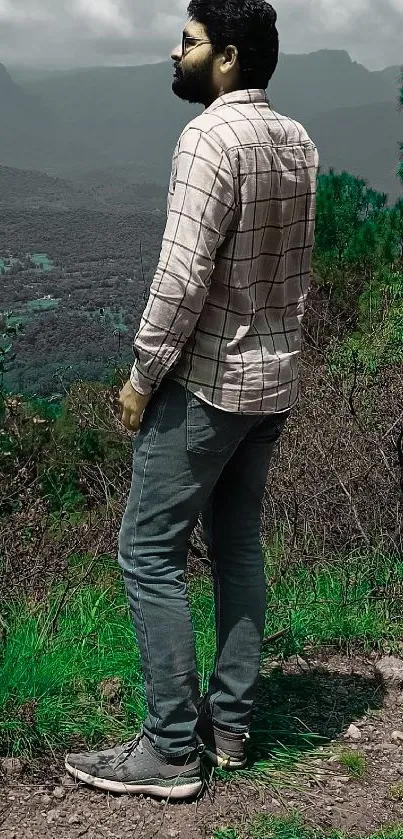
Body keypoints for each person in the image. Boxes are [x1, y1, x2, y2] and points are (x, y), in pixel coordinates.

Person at [65, 0, 319, 800]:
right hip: (272, 382)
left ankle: (170, 749)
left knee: (148, 554)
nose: (174, 55)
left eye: (188, 43)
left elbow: (180, 278)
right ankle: (231, 727)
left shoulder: (208, 138)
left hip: (207, 385)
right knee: (238, 546)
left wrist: (142, 378)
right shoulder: (297, 140)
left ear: (228, 58)